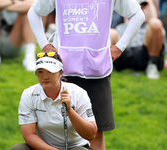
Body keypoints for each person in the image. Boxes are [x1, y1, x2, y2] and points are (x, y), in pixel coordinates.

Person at [27, 0, 145, 149]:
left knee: (95, 132)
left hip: (96, 71)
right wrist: (43, 43)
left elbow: (138, 15)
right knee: (57, 131)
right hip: (63, 68)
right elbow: (33, 12)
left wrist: (119, 47)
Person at [9, 51, 97, 150]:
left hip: (76, 147)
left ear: (61, 73)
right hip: (44, 148)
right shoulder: (29, 94)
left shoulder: (78, 93)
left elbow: (91, 135)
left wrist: (70, 111)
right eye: (40, 72)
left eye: (50, 71)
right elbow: (29, 135)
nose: (45, 77)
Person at [0, 0, 36, 71]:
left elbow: (33, 6)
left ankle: (29, 58)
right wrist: (14, 2)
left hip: (12, 42)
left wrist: (0, 5)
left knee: (30, 14)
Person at [113, 0, 166, 79]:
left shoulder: (150, 27)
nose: (142, 9)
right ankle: (103, 66)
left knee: (155, 23)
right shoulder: (121, 26)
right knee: (111, 33)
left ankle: (152, 65)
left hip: (145, 55)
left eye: (143, 7)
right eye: (139, 7)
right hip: (124, 54)